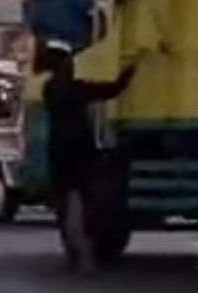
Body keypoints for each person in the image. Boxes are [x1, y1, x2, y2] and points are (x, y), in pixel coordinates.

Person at [42, 40, 140, 270]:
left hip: (58, 149)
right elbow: (112, 89)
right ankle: (85, 252)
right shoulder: (76, 89)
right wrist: (131, 70)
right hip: (79, 149)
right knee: (83, 201)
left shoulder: (50, 89)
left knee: (68, 202)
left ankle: (76, 249)